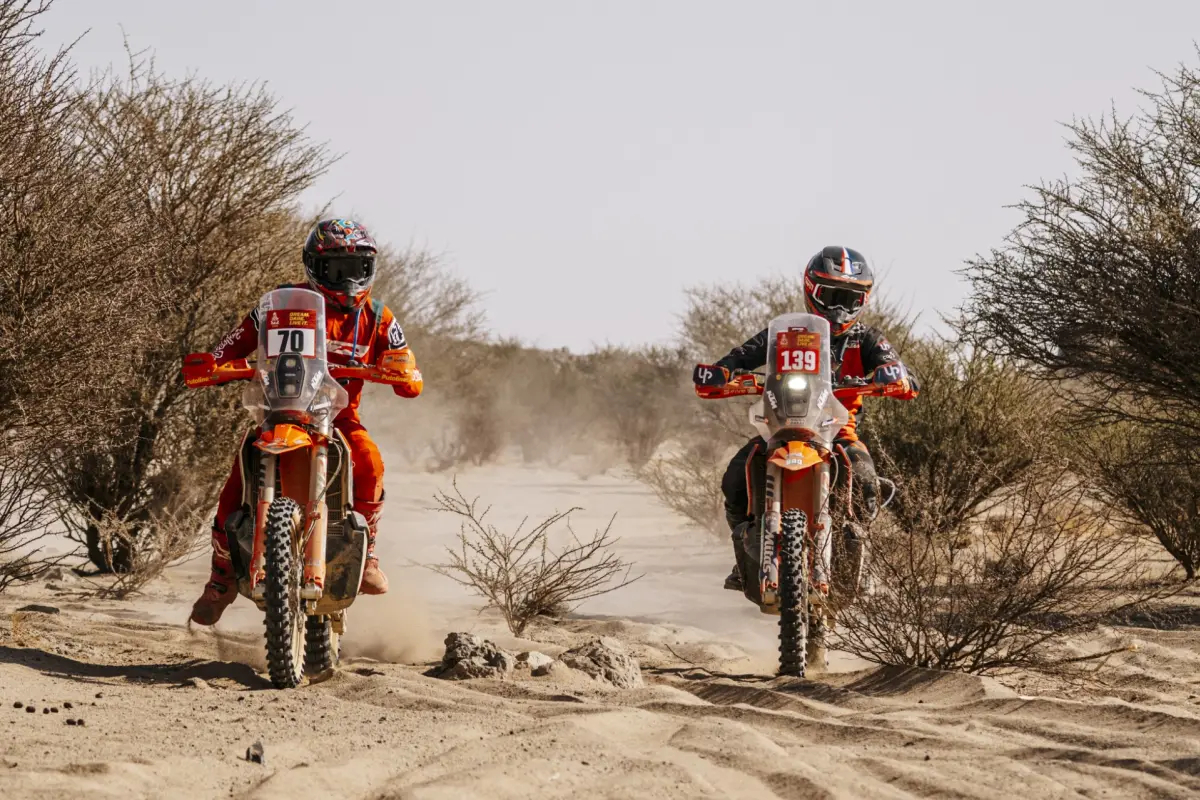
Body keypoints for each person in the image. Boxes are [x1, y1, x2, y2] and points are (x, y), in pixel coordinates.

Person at [187, 219, 422, 625]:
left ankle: (368, 555)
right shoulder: (277, 306)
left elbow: (409, 373)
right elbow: (232, 344)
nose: (348, 280)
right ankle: (221, 577)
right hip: (278, 408)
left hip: (338, 414)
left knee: (369, 463)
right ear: (314, 266)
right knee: (236, 482)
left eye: (357, 269)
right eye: (336, 269)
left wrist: (403, 371)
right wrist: (215, 364)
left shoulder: (379, 316)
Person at [694, 246, 919, 590]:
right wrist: (721, 373)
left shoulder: (868, 339)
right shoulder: (784, 334)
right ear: (813, 291)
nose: (842, 307)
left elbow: (905, 374)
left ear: (864, 300)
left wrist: (897, 376)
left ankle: (862, 555)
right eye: (833, 295)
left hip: (837, 429)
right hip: (780, 424)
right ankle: (745, 558)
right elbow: (740, 356)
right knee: (734, 480)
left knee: (866, 481)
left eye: (851, 298)